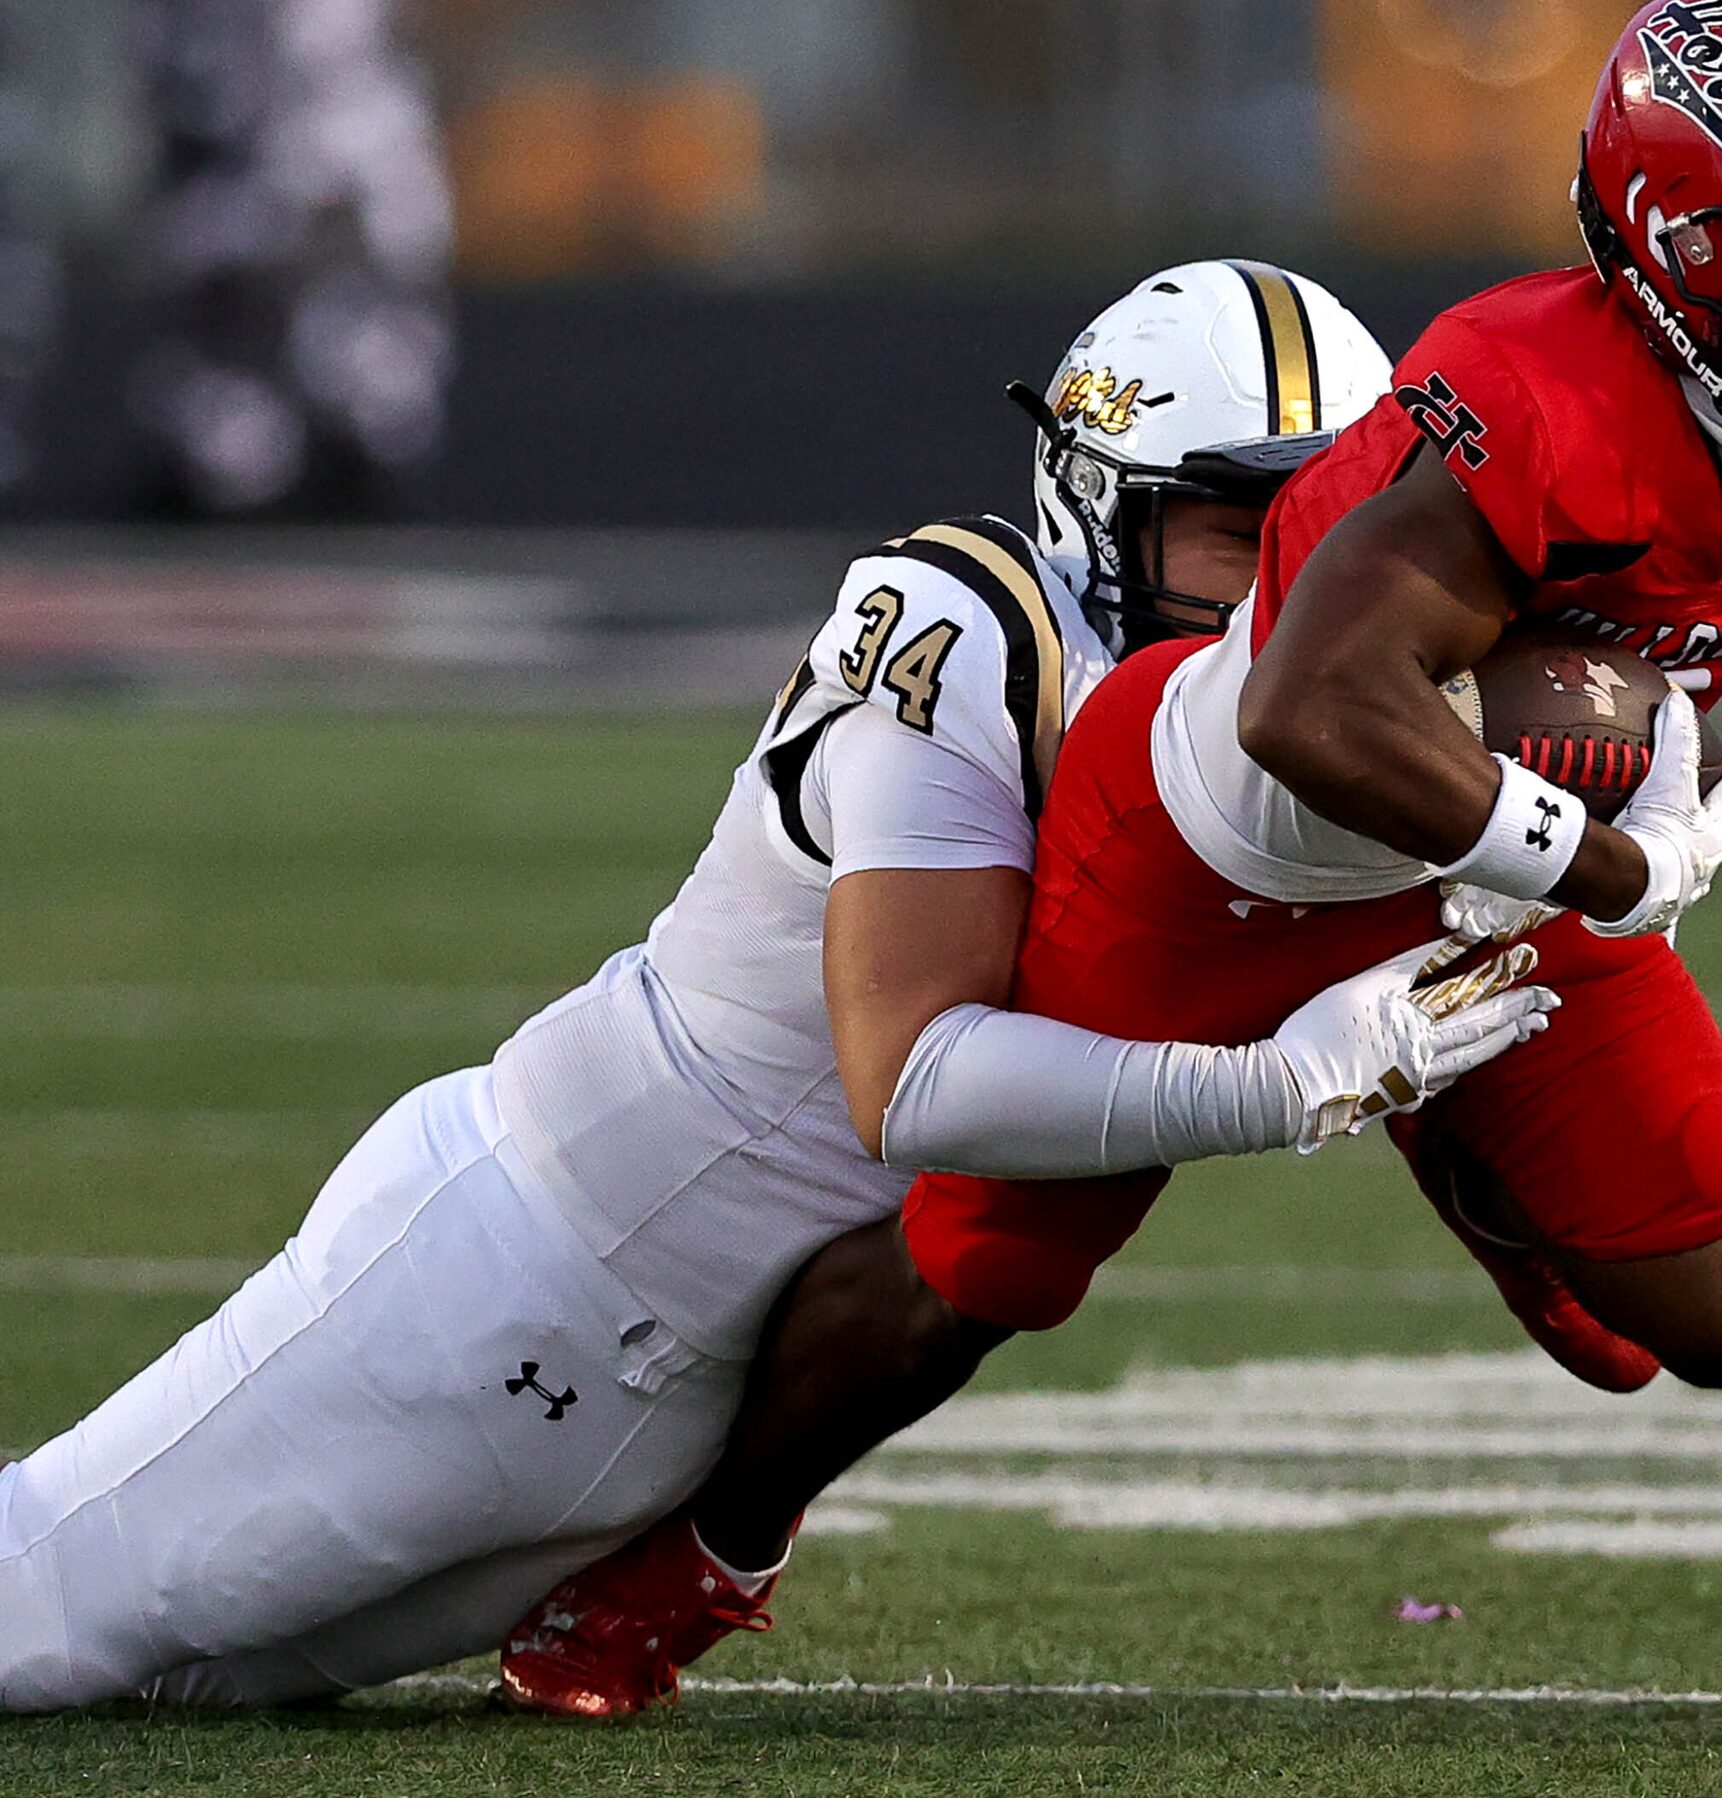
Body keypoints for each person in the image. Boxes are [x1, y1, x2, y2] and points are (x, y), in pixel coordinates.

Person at [503, 0, 1722, 1714]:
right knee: (976, 1274)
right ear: (1685, 251)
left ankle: (1457, 1132)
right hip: (1219, 847)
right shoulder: (1539, 399)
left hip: (1484, 860)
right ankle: (713, 1552)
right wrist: (1605, 866)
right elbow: (1310, 705)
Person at [0, 261, 1553, 1711]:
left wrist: (1649, 825)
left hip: (670, 1417)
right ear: (1100, 511)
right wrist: (1283, 1082)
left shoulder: (1302, 727)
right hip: (508, 1281)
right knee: (36, 1617)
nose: (1280, 589)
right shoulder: (971, 624)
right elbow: (914, 1084)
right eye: (1236, 532)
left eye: (1319, 531)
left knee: (174, 1693)